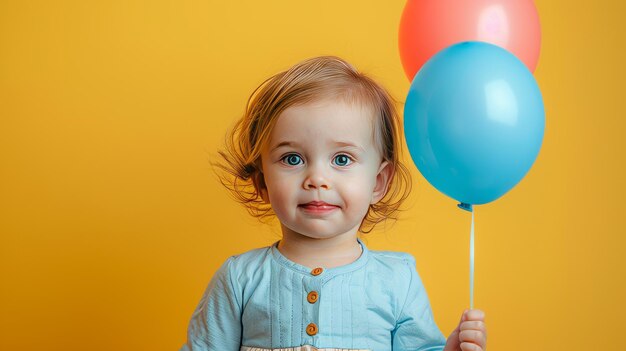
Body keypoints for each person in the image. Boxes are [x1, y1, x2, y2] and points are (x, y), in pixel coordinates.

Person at [181, 56, 487, 351]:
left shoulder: (396, 281)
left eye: (342, 159)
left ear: (378, 183)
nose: (317, 179)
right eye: (293, 158)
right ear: (262, 182)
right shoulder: (240, 279)